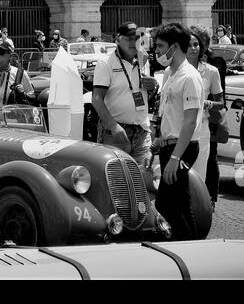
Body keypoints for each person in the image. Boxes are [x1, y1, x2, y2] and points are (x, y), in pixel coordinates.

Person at [151, 23, 203, 240]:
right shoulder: (168, 73)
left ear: (174, 47)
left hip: (182, 148)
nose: (158, 51)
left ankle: (189, 244)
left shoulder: (189, 77)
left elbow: (190, 122)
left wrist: (175, 157)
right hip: (169, 145)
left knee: (170, 202)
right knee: (175, 202)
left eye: (161, 46)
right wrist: (159, 139)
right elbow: (168, 112)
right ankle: (183, 243)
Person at [92, 23, 152, 172]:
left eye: (137, 38)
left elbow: (143, 95)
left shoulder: (144, 59)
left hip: (142, 130)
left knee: (142, 179)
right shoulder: (106, 62)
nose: (134, 43)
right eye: (129, 39)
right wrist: (114, 127)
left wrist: (153, 87)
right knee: (116, 179)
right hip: (116, 132)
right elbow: (97, 99)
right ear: (117, 40)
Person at [188, 26, 225, 208]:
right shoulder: (173, 71)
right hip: (179, 127)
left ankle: (201, 205)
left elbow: (221, 102)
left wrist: (208, 104)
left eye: (196, 44)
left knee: (202, 169)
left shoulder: (211, 71)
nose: (193, 48)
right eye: (189, 45)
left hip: (202, 127)